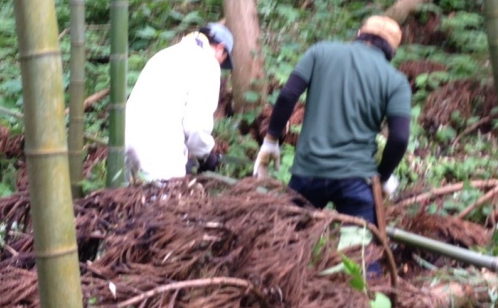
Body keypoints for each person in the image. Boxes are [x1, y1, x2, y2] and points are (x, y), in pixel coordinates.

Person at [253, 15, 411, 228]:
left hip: (308, 171)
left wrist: (271, 140)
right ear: (392, 50)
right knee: (360, 252)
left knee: (287, 241)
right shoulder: (396, 80)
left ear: (358, 34)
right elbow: (399, 138)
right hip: (357, 178)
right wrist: (383, 177)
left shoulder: (321, 52)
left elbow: (288, 95)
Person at [124, 22, 235, 182]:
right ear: (220, 48)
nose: (219, 64)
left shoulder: (165, 54)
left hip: (127, 142)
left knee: (129, 202)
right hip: (159, 150)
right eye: (222, 59)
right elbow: (196, 124)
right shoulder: (207, 63)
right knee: (160, 205)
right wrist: (205, 155)